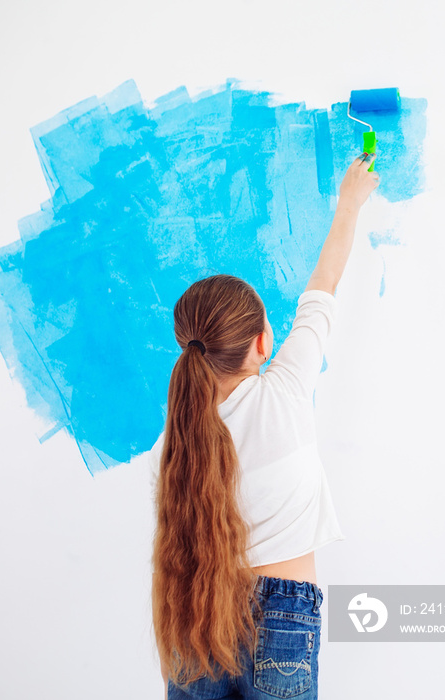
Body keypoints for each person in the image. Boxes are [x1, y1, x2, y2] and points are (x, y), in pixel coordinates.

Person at [149, 152, 379, 699]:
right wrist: (350, 201)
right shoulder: (287, 387)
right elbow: (322, 287)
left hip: (195, 612)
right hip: (284, 617)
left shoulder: (181, 432)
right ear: (262, 344)